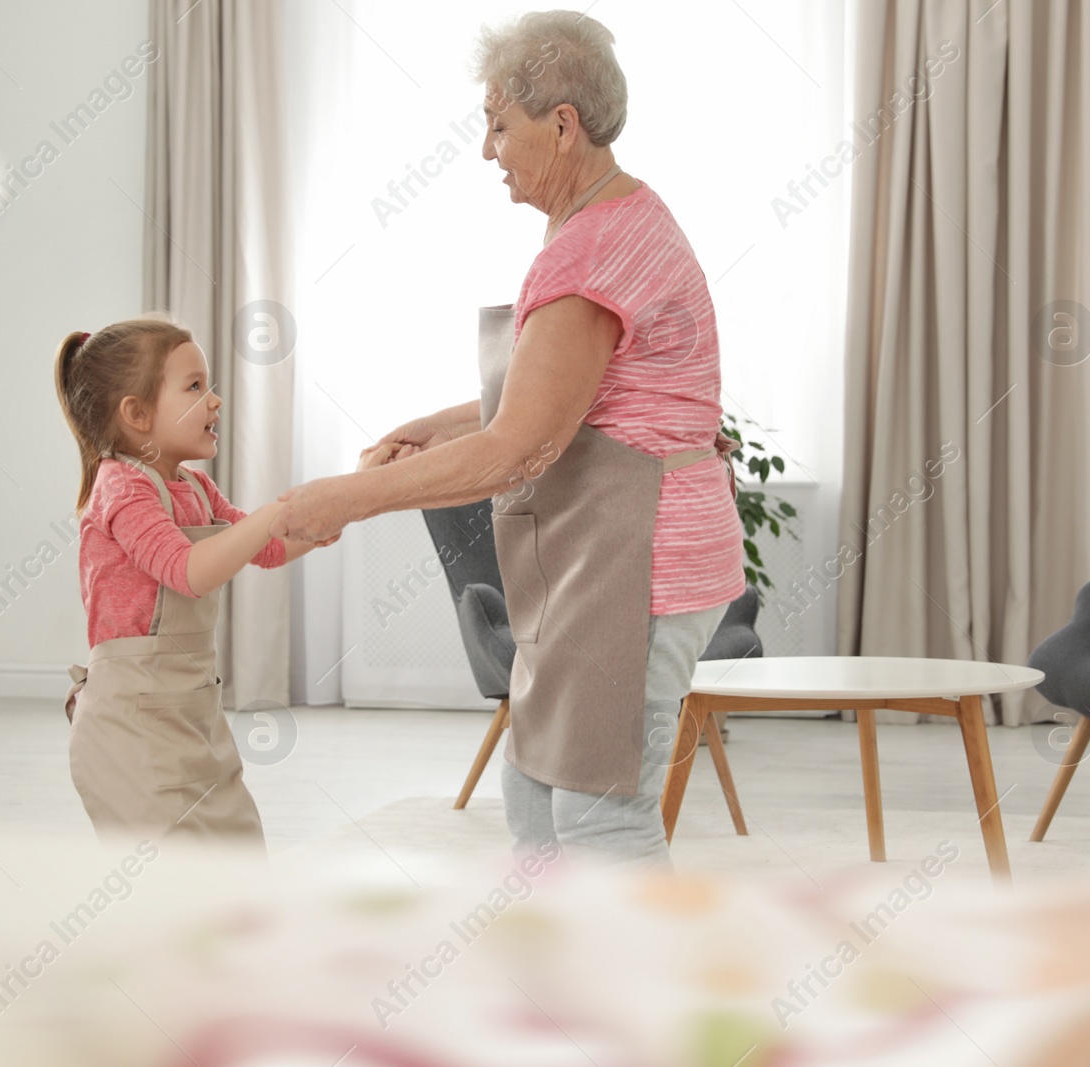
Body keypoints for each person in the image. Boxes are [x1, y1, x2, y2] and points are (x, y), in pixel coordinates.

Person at [271, 11, 744, 867]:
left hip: (639, 563)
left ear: (561, 124)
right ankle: (550, 984)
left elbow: (518, 449)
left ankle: (640, 995)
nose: (487, 150)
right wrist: (439, 424)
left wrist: (339, 500)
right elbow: (570, 393)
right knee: (533, 791)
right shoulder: (615, 216)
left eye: (498, 123)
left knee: (604, 817)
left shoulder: (595, 247)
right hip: (606, 559)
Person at [53, 316, 332, 845]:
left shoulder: (196, 487)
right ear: (136, 414)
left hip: (193, 716)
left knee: (236, 851)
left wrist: (336, 512)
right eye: (195, 386)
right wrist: (275, 513)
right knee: (168, 880)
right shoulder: (121, 490)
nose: (215, 401)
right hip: (130, 729)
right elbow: (187, 573)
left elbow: (267, 548)